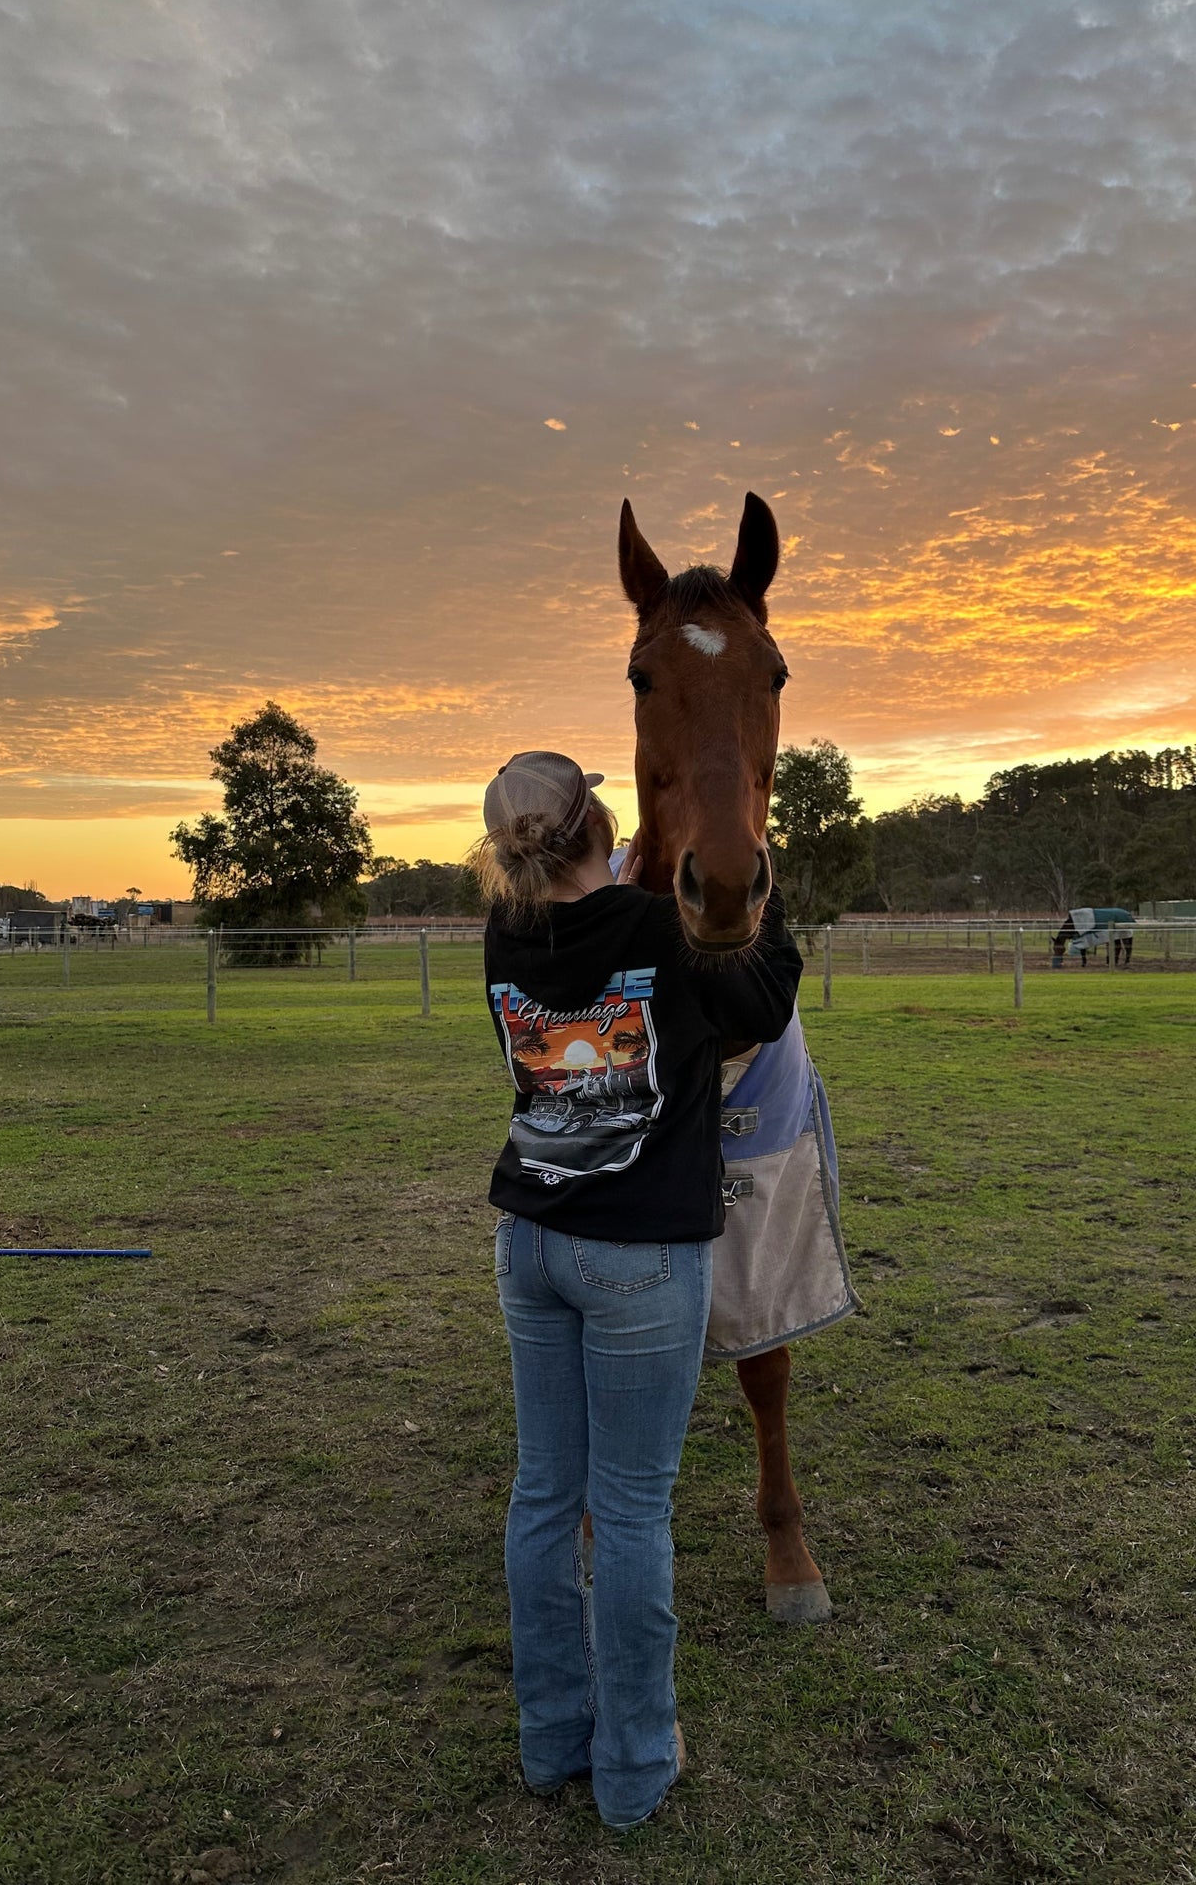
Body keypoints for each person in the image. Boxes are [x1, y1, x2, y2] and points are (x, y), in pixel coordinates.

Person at [471, 750, 803, 1829]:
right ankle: (632, 1764)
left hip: (529, 1237)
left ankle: (548, 1738)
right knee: (627, 1509)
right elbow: (765, 995)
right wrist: (754, 875)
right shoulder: (660, 928)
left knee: (542, 1497)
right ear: (598, 827)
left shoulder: (503, 934)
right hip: (640, 1255)